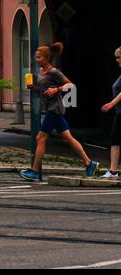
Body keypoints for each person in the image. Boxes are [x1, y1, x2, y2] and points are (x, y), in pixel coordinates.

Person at [20, 43, 99, 181]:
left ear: (46, 58)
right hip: (52, 108)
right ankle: (89, 163)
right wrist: (33, 87)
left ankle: (34, 171)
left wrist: (56, 89)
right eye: (36, 57)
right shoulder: (41, 72)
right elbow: (42, 89)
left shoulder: (54, 72)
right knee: (68, 138)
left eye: (39, 57)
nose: (36, 59)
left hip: (54, 109)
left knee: (40, 138)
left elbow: (71, 85)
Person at [99, 47, 121, 179]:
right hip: (119, 112)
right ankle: (113, 171)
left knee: (115, 139)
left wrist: (111, 104)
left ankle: (113, 171)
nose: (116, 60)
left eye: (119, 57)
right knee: (115, 139)